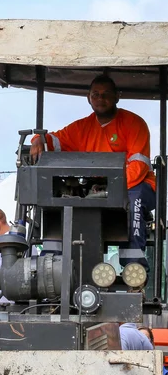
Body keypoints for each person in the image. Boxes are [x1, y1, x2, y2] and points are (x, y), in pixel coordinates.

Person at [30, 75, 156, 270]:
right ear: (88, 98)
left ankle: (134, 269)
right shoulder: (82, 127)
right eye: (95, 94)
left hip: (138, 187)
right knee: (61, 198)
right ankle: (51, 267)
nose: (100, 98)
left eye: (106, 94)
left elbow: (138, 168)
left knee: (133, 199)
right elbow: (55, 140)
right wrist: (38, 139)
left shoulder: (134, 123)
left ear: (117, 97)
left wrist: (109, 189)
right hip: (97, 190)